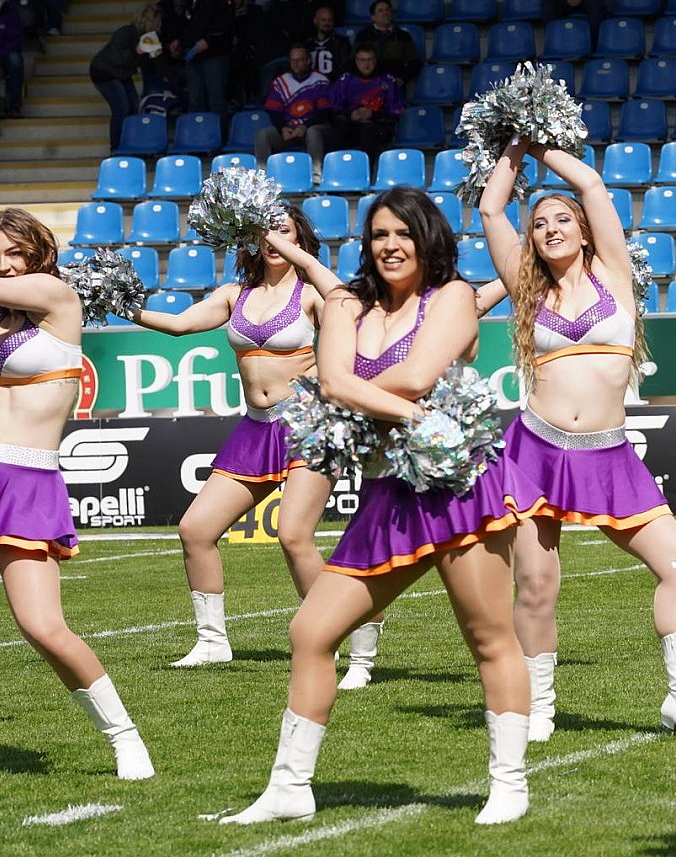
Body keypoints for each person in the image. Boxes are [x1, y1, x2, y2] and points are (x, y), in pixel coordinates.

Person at [222, 186, 543, 824]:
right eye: (379, 235)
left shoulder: (452, 298)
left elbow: (414, 376)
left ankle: (509, 785)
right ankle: (289, 788)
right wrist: (371, 399)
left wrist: (345, 388)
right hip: (386, 490)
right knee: (311, 631)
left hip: (456, 484)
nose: (390, 246)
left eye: (403, 234)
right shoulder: (347, 302)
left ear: (429, 240)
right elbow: (332, 380)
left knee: (488, 636)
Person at [480, 138, 676, 744]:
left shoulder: (614, 275)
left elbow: (592, 185)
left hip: (608, 451)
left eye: (561, 221)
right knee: (536, 585)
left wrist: (540, 143)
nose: (550, 230)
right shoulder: (527, 289)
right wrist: (511, 144)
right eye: (539, 225)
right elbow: (490, 208)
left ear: (584, 232)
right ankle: (539, 708)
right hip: (536, 451)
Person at [130, 205, 389, 687]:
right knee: (195, 529)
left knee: (294, 536)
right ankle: (212, 641)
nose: (272, 240)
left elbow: (346, 310)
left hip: (307, 425)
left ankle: (333, 636)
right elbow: (180, 324)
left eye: (283, 231)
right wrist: (120, 304)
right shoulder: (236, 294)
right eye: (264, 232)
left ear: (299, 239)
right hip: (255, 427)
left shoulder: (311, 294)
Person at [0, 208, 154, 779]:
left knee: (42, 626)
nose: (2, 265)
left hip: (25, 476)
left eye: (14, 253)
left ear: (38, 252)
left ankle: (123, 737)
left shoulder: (56, 295)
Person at [89, 2, 162, 153]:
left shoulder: (148, 38)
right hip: (105, 72)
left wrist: (153, 56)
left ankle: (132, 143)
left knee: (133, 106)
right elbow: (117, 58)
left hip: (122, 73)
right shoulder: (126, 33)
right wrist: (137, 51)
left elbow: (146, 64)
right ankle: (116, 148)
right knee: (121, 107)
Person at [255, 45, 333, 183]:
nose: (296, 64)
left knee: (313, 132)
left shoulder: (320, 80)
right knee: (263, 134)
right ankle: (262, 179)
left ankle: (315, 177)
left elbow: (324, 112)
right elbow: (273, 111)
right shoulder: (281, 81)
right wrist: (282, 128)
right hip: (289, 130)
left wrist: (304, 126)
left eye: (300, 60)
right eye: (293, 60)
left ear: (308, 60)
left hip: (312, 128)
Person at [328, 41, 403, 161]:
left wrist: (373, 115)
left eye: (370, 59)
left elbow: (395, 112)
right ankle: (334, 169)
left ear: (375, 60)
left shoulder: (387, 80)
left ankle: (367, 170)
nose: (366, 64)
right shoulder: (346, 80)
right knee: (336, 133)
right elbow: (334, 108)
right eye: (362, 60)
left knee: (368, 131)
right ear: (356, 61)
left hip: (377, 127)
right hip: (350, 125)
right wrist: (350, 115)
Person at [176, 0, 234, 118]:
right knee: (195, 102)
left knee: (216, 102)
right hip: (193, 57)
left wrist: (208, 40)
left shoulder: (219, 3)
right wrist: (179, 42)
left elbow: (226, 25)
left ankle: (218, 130)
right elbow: (186, 26)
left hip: (214, 55)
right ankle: (197, 130)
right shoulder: (189, 3)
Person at [353, 0, 419, 89]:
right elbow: (353, 60)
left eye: (387, 10)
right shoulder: (363, 35)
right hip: (368, 85)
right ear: (373, 17)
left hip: (395, 85)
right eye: (380, 10)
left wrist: (402, 79)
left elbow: (414, 63)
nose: (385, 13)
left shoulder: (403, 36)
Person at [306, 2, 351, 82]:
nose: (327, 23)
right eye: (323, 20)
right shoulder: (306, 43)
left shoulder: (342, 43)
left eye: (330, 20)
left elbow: (345, 68)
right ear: (315, 21)